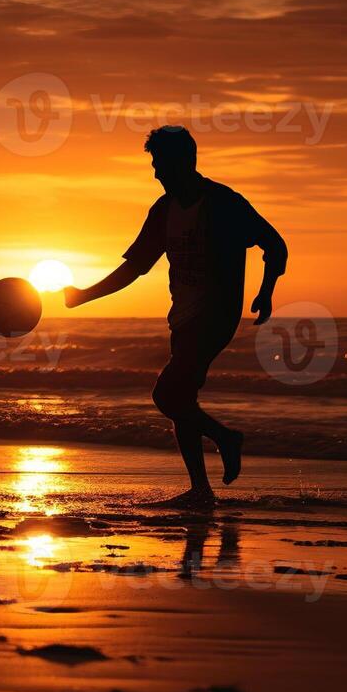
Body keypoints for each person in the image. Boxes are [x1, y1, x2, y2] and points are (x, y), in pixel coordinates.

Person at [64, 126, 287, 508]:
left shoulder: (224, 203)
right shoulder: (163, 210)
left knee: (165, 394)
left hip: (216, 315)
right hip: (182, 317)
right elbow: (135, 267)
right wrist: (86, 295)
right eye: (154, 165)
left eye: (160, 164)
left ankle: (226, 438)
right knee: (183, 399)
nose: (156, 173)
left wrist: (265, 292)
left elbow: (275, 245)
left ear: (184, 161)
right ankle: (200, 491)